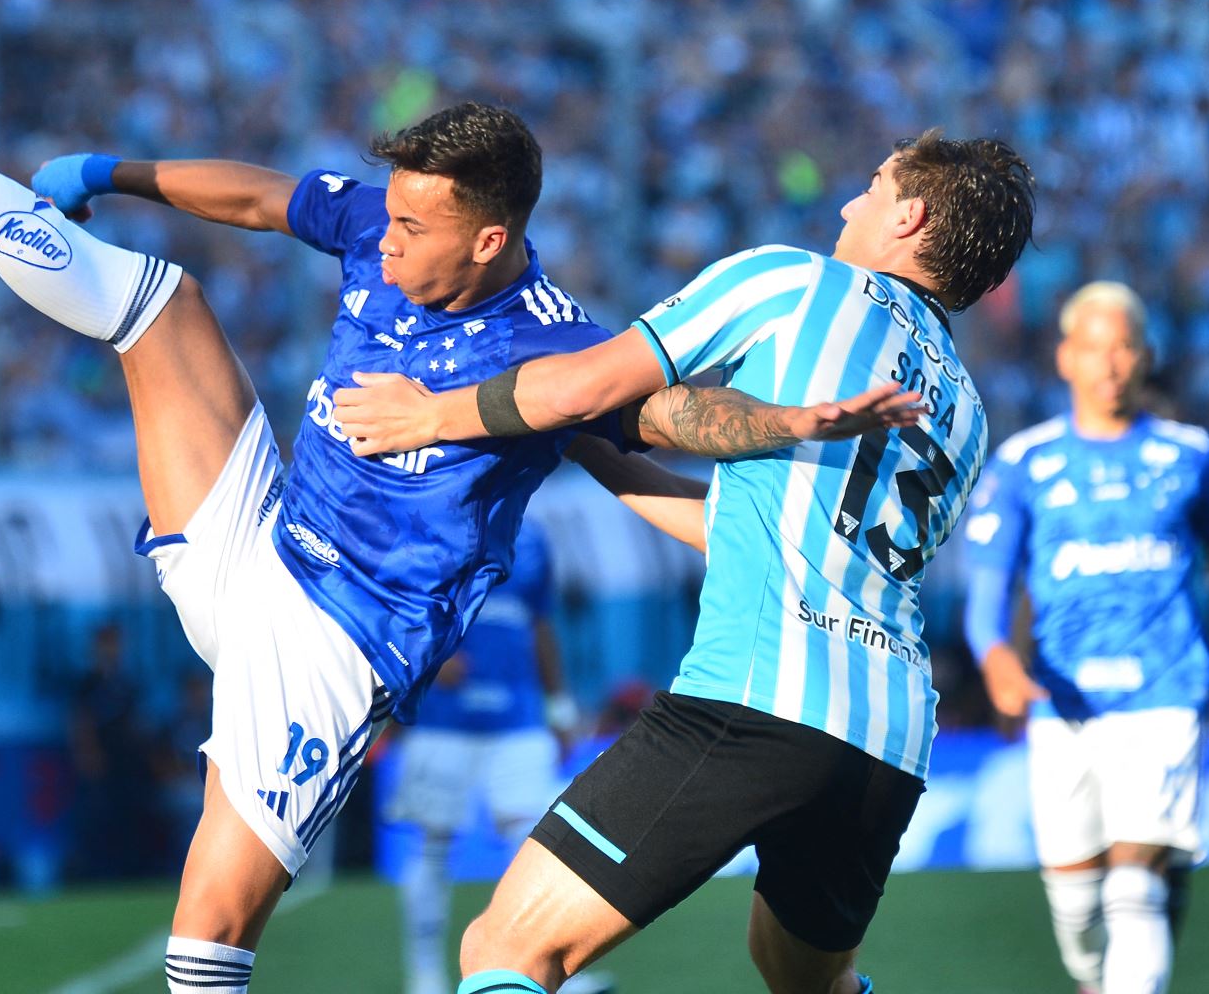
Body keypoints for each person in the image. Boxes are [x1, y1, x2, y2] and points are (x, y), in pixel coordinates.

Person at [0, 0, 898, 994]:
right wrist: (109, 172)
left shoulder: (553, 349)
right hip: (264, 535)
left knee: (213, 925)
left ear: (491, 239)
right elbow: (260, 199)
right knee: (162, 305)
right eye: (390, 215)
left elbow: (647, 437)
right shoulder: (391, 223)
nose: (385, 238)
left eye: (413, 229)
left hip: (337, 647)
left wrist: (783, 443)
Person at [332, 129, 1037, 994]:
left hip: (758, 696)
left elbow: (589, 384)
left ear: (910, 215)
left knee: (506, 951)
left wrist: (430, 415)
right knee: (804, 979)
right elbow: (754, 530)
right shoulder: (964, 408)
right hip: (886, 738)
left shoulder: (794, 281)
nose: (851, 203)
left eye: (870, 186)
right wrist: (593, 451)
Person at [962, 280, 1209, 994]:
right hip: (1063, 703)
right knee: (1077, 909)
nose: (1111, 363)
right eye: (1095, 348)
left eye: (1125, 346)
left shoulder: (1189, 456)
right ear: (1066, 358)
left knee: (1137, 888)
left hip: (1165, 691)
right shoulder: (1023, 465)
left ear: (1146, 355)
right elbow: (988, 598)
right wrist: (1000, 660)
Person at [386, 520, 600, 994]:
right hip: (441, 720)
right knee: (433, 843)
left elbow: (540, 622)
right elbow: (390, 601)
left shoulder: (536, 536)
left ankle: (555, 974)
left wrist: (560, 707)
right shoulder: (427, 520)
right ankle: (424, 977)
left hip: (519, 716)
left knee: (537, 844)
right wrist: (420, 660)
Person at [70, 622, 153, 880]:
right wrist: (88, 754)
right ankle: (98, 873)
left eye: (115, 643)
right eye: (106, 643)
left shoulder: (127, 683)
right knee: (99, 817)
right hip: (101, 761)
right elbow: (80, 722)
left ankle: (129, 871)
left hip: (127, 762)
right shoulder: (87, 684)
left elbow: (137, 721)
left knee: (128, 816)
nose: (111, 650)